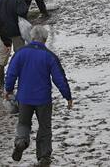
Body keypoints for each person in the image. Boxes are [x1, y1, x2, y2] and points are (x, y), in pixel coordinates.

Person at [5, 25, 73, 165]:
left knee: (23, 123)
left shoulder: (21, 53)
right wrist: (68, 96)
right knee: (44, 127)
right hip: (43, 99)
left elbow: (11, 73)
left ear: (32, 37)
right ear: (45, 39)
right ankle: (44, 156)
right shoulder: (49, 56)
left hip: (24, 97)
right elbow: (59, 78)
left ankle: (21, 142)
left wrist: (8, 89)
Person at [0, 0, 29, 87]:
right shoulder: (18, 0)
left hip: (3, 32)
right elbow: (22, 12)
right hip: (16, 31)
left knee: (2, 55)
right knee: (20, 53)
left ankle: (1, 82)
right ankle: (21, 79)